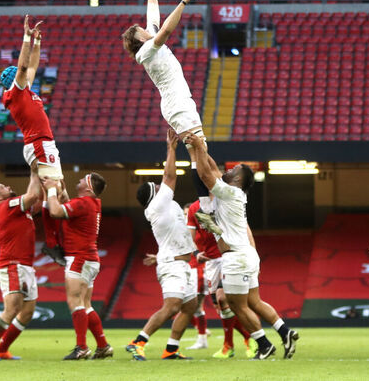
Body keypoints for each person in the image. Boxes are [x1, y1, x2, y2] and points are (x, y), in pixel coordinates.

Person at [183, 132, 299, 360]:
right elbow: (211, 169)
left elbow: (206, 175)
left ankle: (264, 345)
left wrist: (198, 147)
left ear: (238, 180)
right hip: (245, 254)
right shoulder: (233, 193)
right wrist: (200, 148)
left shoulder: (229, 193)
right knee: (254, 302)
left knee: (238, 305)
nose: (229, 169)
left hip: (235, 257)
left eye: (234, 170)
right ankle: (285, 332)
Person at [126, 129, 199, 361]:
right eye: (156, 187)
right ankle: (138, 342)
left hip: (181, 263)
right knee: (172, 306)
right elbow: (169, 177)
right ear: (153, 194)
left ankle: (171, 349)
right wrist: (171, 149)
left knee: (190, 307)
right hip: (173, 265)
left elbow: (178, 231)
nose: (161, 186)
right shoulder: (157, 205)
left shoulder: (167, 206)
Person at [0, 15, 65, 265]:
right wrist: (26, 38)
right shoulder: (16, 92)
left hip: (41, 144)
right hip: (39, 144)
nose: (28, 75)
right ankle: (53, 243)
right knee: (54, 190)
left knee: (54, 191)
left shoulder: (25, 91)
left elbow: (32, 66)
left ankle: (52, 240)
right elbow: (24, 66)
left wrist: (37, 42)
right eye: (22, 75)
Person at [121, 0, 205, 141]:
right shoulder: (147, 50)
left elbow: (152, 14)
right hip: (177, 103)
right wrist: (184, 2)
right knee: (200, 149)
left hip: (178, 101)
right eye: (143, 30)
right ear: (141, 40)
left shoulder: (148, 40)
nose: (146, 29)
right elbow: (166, 30)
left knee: (200, 149)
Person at [45, 171, 111, 360]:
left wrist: (51, 190)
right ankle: (103, 346)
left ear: (88, 187)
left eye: (83, 179)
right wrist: (62, 191)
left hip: (79, 258)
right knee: (86, 305)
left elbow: (55, 211)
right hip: (90, 258)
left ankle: (82, 347)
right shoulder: (91, 203)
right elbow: (69, 206)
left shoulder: (83, 203)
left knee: (75, 302)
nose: (79, 180)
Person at [0, 168, 41, 361]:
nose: (8, 186)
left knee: (27, 312)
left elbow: (38, 202)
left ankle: (1, 350)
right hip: (13, 264)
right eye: (3, 187)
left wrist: (50, 184)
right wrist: (34, 172)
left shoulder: (18, 210)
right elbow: (32, 195)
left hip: (25, 265)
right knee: (12, 309)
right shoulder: (6, 206)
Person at [187, 194, 252, 357]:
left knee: (224, 299)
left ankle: (230, 344)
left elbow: (243, 227)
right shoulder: (194, 209)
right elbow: (189, 237)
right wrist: (196, 253)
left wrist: (252, 253)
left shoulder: (224, 202)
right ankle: (247, 337)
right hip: (210, 262)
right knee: (220, 307)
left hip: (229, 256)